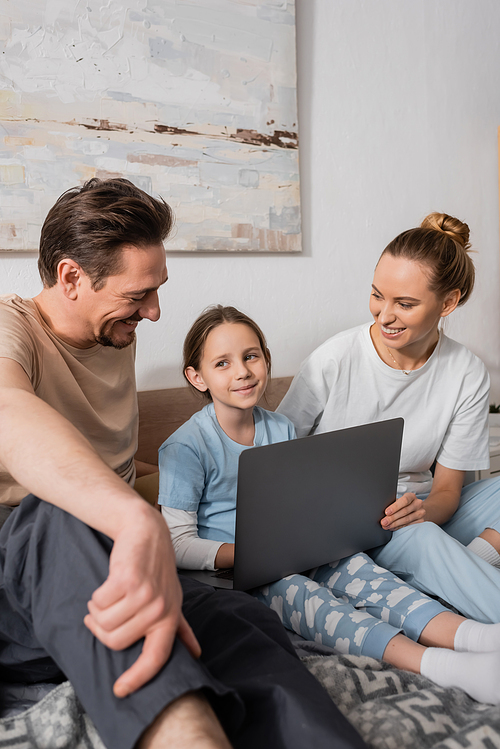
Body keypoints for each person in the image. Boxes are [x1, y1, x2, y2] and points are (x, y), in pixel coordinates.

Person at [0, 178, 367, 749]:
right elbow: (8, 412)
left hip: (101, 574)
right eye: (138, 295)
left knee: (246, 621)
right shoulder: (11, 328)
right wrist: (133, 518)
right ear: (71, 277)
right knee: (62, 515)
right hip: (23, 577)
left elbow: (128, 466)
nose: (154, 310)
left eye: (157, 290)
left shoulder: (115, 333)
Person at [158, 304, 500, 707]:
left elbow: (295, 501)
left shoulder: (280, 427)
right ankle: (440, 666)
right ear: (197, 377)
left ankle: (476, 636)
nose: (242, 372)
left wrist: (319, 533)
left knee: (365, 571)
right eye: (222, 363)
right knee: (308, 598)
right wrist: (249, 555)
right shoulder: (185, 447)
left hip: (295, 548)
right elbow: (177, 543)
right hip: (238, 571)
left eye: (251, 356)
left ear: (266, 359)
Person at [277, 212, 500, 624]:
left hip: (419, 510)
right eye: (378, 295)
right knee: (424, 540)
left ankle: (465, 566)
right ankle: (464, 579)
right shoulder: (333, 359)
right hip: (348, 523)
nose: (384, 315)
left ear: (448, 302)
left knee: (444, 522)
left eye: (405, 304)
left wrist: (423, 512)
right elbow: (272, 458)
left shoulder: (466, 371)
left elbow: (448, 490)